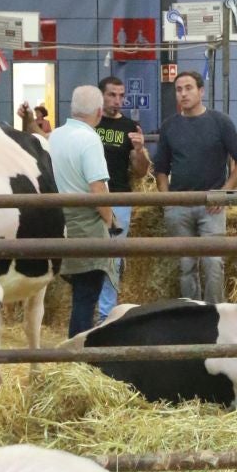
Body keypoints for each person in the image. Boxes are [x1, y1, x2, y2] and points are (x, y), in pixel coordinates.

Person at [152, 70, 237, 304]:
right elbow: (161, 168)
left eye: (188, 88)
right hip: (179, 204)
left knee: (213, 262)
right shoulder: (169, 127)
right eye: (179, 89)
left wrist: (224, 193)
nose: (183, 94)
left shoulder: (220, 122)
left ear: (201, 91)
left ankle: (214, 313)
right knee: (185, 265)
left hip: (212, 206)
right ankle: (192, 314)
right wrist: (167, 200)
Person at [47, 84, 117, 337]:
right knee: (86, 296)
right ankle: (78, 353)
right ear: (99, 112)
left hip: (57, 223)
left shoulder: (54, 136)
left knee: (80, 290)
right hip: (86, 225)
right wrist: (110, 222)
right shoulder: (89, 139)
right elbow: (98, 187)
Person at [94, 75, 150, 322]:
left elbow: (140, 171)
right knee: (86, 254)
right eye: (111, 95)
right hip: (88, 199)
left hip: (118, 197)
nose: (117, 100)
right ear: (100, 96)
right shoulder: (89, 123)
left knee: (113, 258)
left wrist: (138, 150)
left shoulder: (129, 127)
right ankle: (87, 308)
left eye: (120, 95)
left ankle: (106, 313)